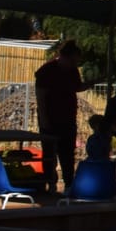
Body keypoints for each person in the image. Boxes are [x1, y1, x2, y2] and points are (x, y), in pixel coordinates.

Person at [32, 40, 84, 189]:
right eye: (73, 60)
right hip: (50, 119)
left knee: (67, 155)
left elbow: (76, 87)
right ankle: (50, 184)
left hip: (68, 119)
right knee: (49, 155)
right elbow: (40, 96)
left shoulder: (72, 70)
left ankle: (69, 185)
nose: (75, 64)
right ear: (64, 57)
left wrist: (93, 82)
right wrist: (44, 120)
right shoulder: (47, 71)